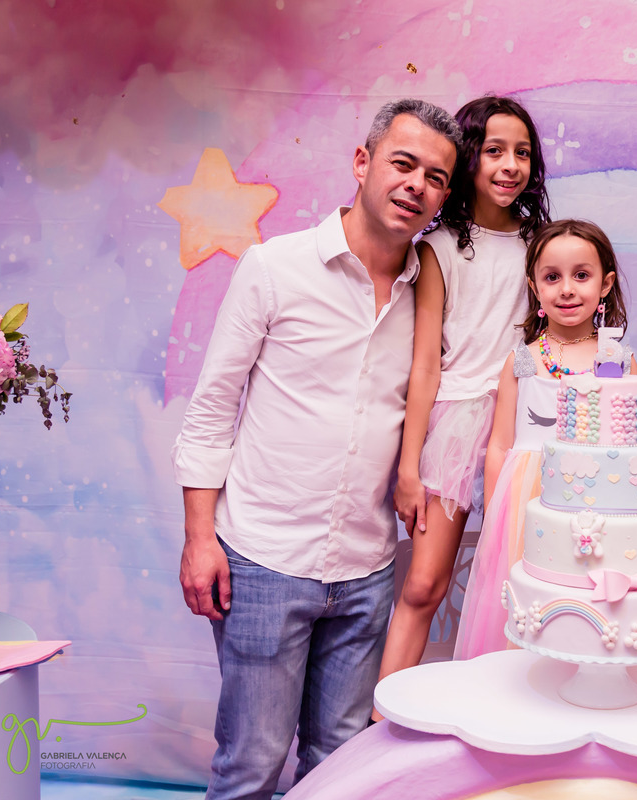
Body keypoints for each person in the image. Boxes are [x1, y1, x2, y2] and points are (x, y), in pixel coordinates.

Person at [172, 98, 460, 799]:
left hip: (366, 568)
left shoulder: (429, 292)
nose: (417, 185)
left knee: (340, 767)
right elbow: (212, 407)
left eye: (436, 177)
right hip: (264, 559)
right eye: (402, 163)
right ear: (362, 162)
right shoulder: (276, 267)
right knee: (252, 763)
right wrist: (200, 538)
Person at [378, 96, 550, 690]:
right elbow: (426, 365)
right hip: (455, 420)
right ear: (470, 157)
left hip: (522, 420)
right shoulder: (438, 247)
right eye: (495, 151)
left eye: (522, 153)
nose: (510, 165)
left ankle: (513, 707)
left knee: (522, 582)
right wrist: (408, 468)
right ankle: (381, 717)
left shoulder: (540, 244)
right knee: (424, 585)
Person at [454, 219, 633, 659]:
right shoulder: (523, 360)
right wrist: (496, 517)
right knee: (526, 608)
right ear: (535, 288)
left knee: (578, 603)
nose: (566, 289)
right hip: (527, 501)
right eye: (552, 277)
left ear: (606, 284)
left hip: (593, 500)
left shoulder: (618, 360)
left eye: (581, 275)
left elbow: (629, 440)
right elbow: (501, 444)